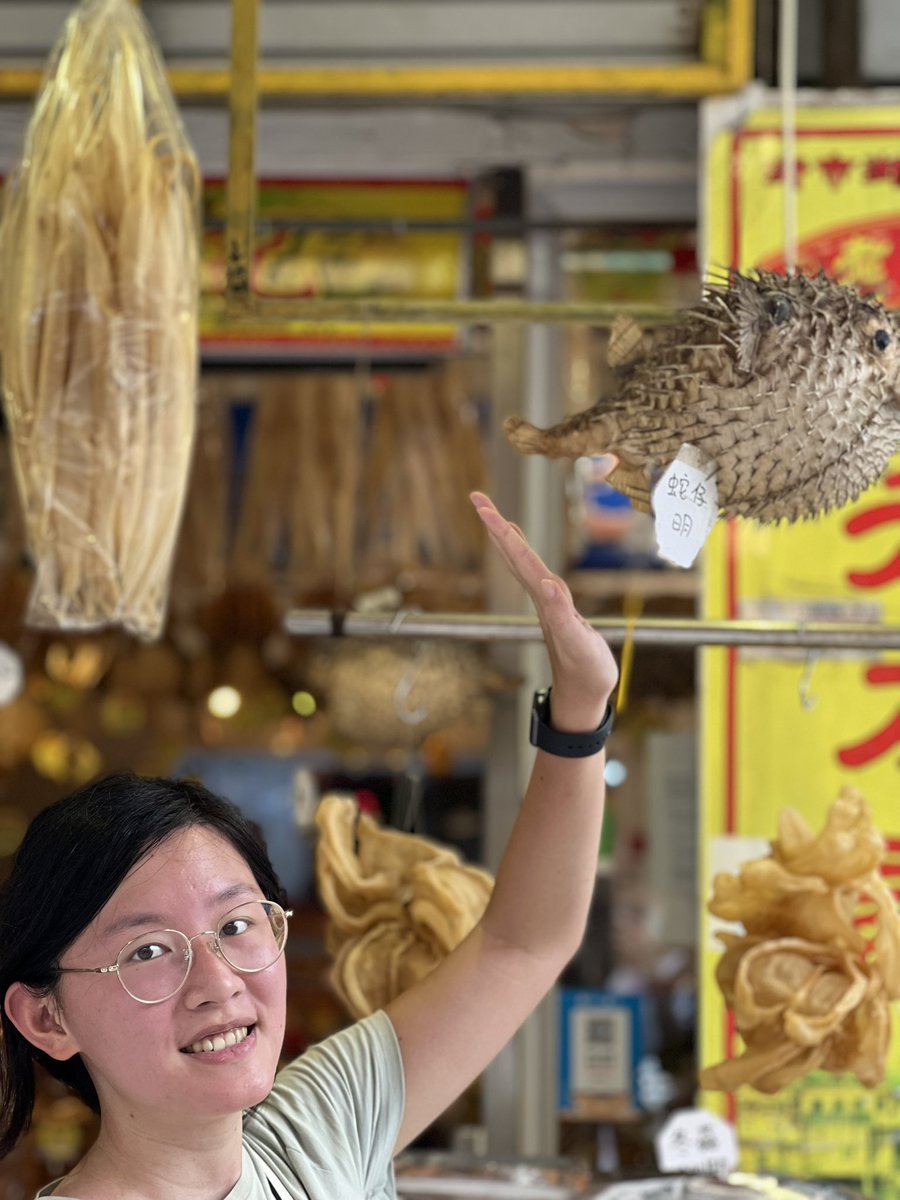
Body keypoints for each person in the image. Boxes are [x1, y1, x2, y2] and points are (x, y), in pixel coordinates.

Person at [0, 492, 619, 1200]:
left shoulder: (317, 1135)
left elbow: (522, 943)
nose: (219, 984)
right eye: (147, 951)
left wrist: (580, 708)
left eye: (237, 925)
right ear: (47, 1018)